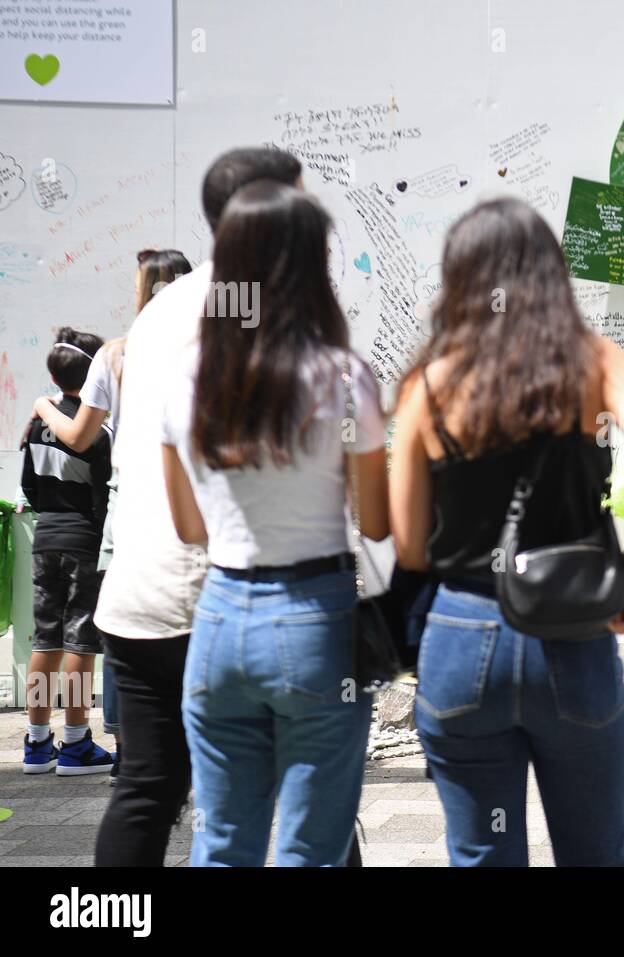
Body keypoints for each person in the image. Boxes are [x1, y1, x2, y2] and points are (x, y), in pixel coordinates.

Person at [389, 197, 624, 866]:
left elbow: (408, 545)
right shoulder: (592, 360)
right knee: (598, 852)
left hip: (461, 639)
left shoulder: (429, 384)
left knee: (481, 853)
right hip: (572, 633)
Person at [160, 180, 387, 867]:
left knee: (222, 842)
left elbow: (188, 525)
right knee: (311, 849)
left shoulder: (187, 375)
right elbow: (375, 520)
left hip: (220, 622)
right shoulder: (343, 376)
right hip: (316, 619)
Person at [93, 148, 304, 867]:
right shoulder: (264, 307)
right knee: (309, 788)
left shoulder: (161, 310)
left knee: (148, 787)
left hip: (138, 593)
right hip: (226, 595)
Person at [34, 248, 193, 786]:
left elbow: (72, 441)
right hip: (175, 502)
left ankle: (46, 740)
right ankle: (85, 738)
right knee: (84, 641)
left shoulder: (117, 357)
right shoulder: (210, 350)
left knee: (63, 640)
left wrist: (40, 407)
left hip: (82, 529)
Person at [20, 329, 114, 776]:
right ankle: (75, 744)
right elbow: (104, 494)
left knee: (46, 638)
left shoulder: (39, 423)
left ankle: (37, 744)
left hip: (46, 538)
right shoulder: (96, 428)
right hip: (84, 542)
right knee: (80, 638)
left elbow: (29, 488)